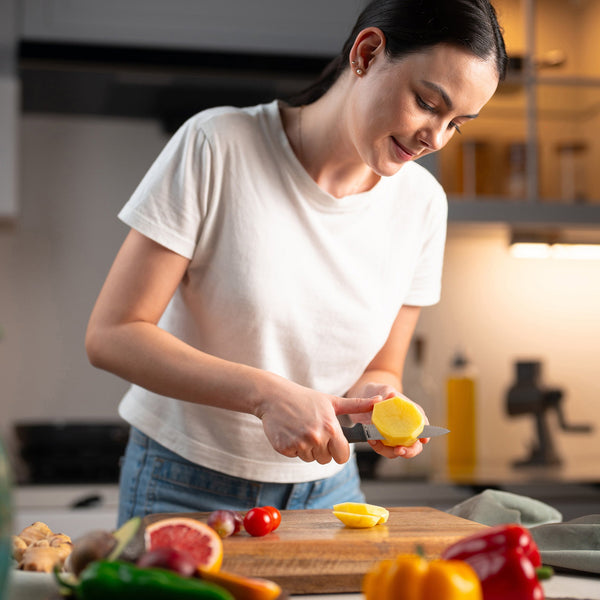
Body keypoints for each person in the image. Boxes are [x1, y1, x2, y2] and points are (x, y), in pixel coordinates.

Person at [86, 0, 507, 525]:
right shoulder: (217, 145)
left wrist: (379, 398)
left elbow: (381, 367)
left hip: (332, 489)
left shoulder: (422, 204)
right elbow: (113, 334)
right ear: (368, 52)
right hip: (185, 481)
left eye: (457, 124)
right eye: (427, 102)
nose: (435, 138)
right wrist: (265, 396)